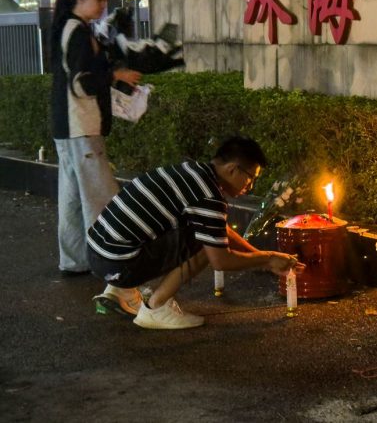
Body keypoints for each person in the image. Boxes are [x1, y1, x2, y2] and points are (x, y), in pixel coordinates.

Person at [86, 136, 304, 330]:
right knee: (203, 243)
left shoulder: (193, 172)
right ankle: (156, 307)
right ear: (232, 169)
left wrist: (261, 257)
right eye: (251, 178)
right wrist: (267, 259)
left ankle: (118, 290)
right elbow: (220, 260)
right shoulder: (209, 195)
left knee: (205, 233)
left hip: (99, 253)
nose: (250, 187)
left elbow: (220, 229)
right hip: (118, 263)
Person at [51, 0, 142, 275]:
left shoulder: (69, 27)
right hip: (82, 125)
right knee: (101, 197)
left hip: (67, 127)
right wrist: (116, 75)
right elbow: (82, 83)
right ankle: (113, 265)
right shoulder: (77, 32)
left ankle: (74, 261)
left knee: (73, 198)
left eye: (106, 0)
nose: (104, 6)